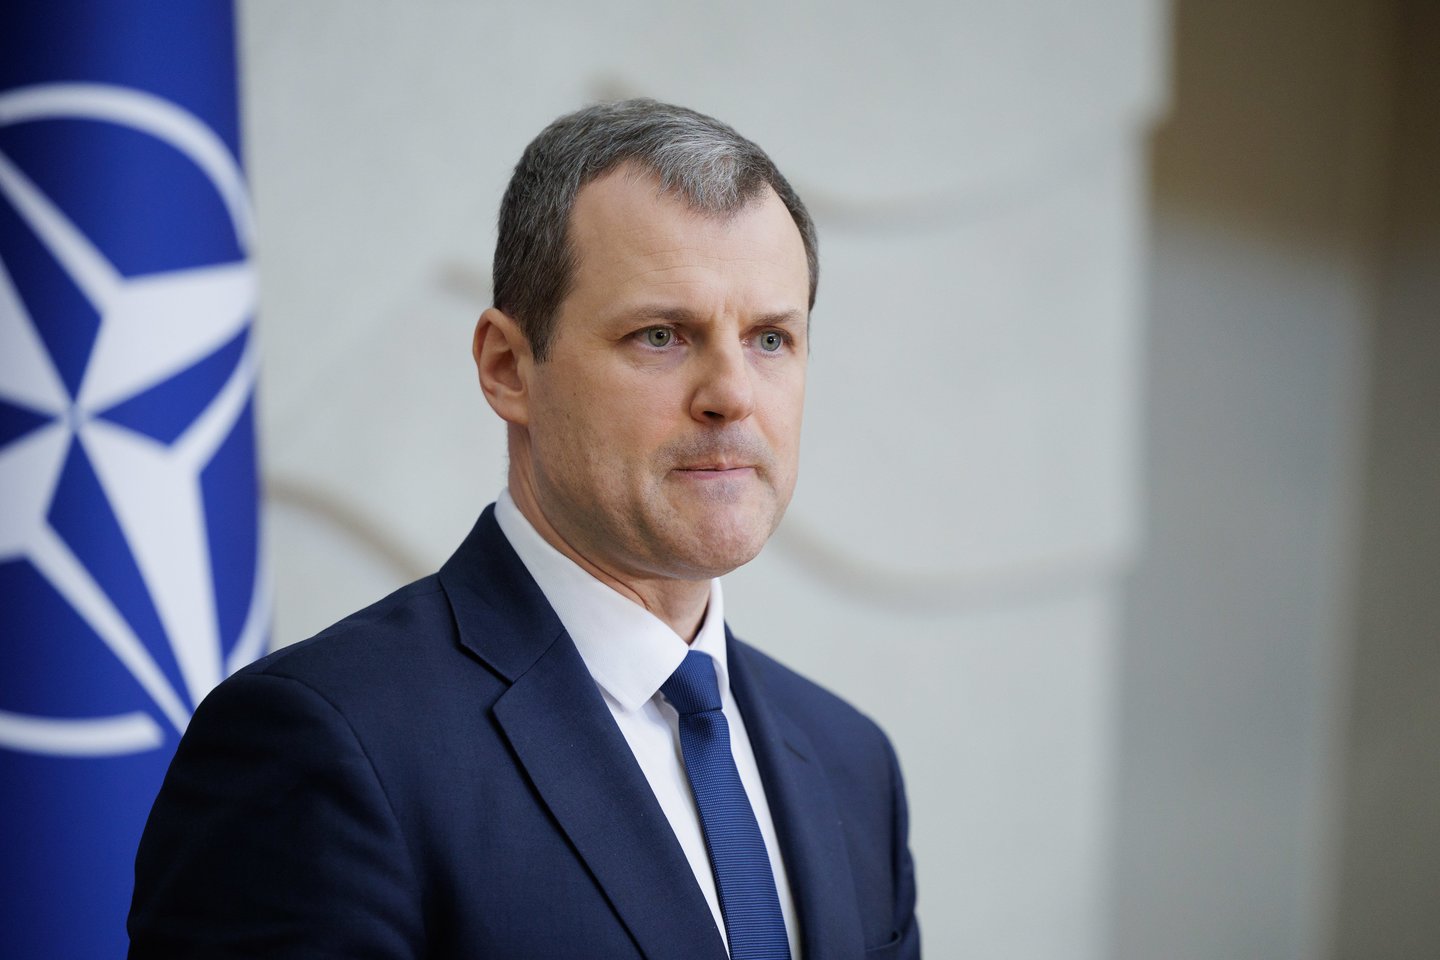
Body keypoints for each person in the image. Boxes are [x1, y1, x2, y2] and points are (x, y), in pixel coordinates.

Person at [128, 99, 919, 960]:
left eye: (770, 339)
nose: (732, 394)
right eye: (661, 335)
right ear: (507, 368)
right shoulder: (322, 746)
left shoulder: (853, 766)